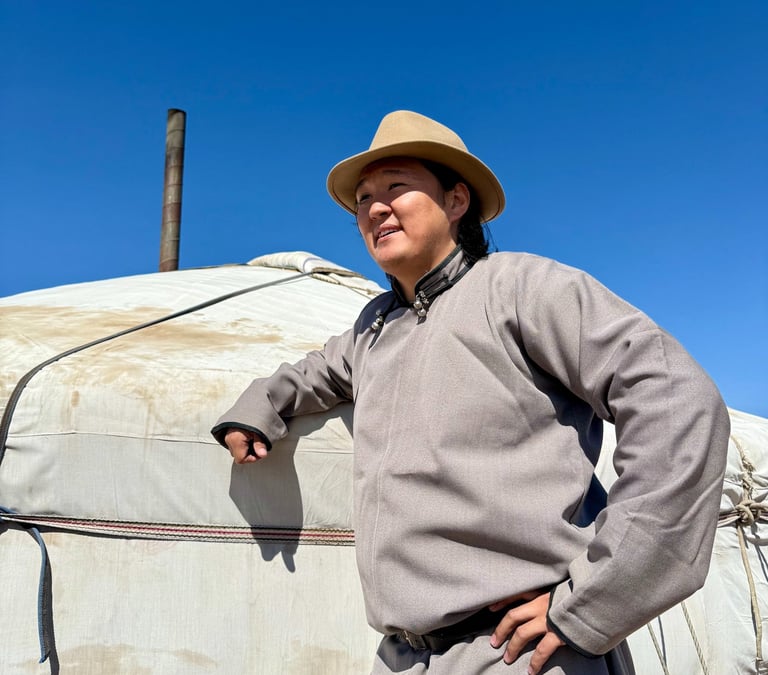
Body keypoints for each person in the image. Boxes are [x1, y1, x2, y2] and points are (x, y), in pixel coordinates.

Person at [212, 110, 730, 674]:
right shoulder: (374, 327)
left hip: (519, 650)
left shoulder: (521, 288)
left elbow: (676, 398)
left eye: (396, 187)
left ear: (456, 200)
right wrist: (259, 407)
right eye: (363, 199)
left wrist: (598, 595)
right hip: (403, 655)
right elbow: (316, 372)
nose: (375, 209)